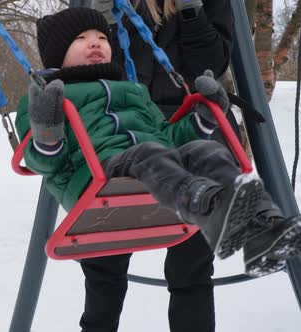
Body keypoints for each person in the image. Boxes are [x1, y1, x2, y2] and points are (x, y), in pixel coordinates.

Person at [14, 6, 301, 332]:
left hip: (152, 164)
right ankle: (200, 199)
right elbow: (43, 161)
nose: (94, 43)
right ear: (58, 54)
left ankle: (261, 224)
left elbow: (167, 136)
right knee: (107, 272)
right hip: (100, 176)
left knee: (203, 151)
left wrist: (202, 121)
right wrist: (47, 133)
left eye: (99, 37)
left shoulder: (132, 90)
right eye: (80, 39)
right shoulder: (49, 97)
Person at [82, 1, 235, 331]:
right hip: (121, 132)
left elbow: (211, 65)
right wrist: (105, 25)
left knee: (191, 266)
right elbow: (89, 73)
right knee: (104, 262)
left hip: (189, 132)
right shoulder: (113, 8)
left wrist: (192, 11)